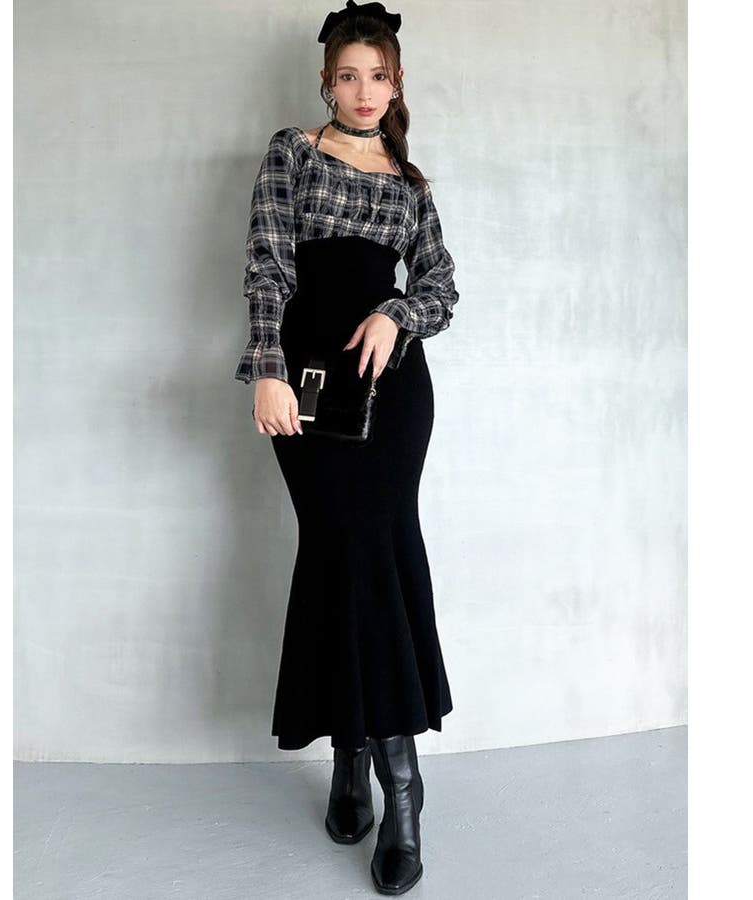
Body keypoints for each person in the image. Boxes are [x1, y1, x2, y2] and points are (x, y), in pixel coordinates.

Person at [234, 2, 459, 894]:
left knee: (376, 550)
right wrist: (266, 368)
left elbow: (441, 286)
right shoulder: (292, 152)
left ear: (396, 85)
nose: (365, 91)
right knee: (336, 556)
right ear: (326, 83)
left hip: (392, 394)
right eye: (349, 76)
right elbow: (267, 265)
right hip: (306, 387)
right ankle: (350, 755)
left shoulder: (410, 183)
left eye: (380, 76)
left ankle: (399, 790)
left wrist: (395, 311)